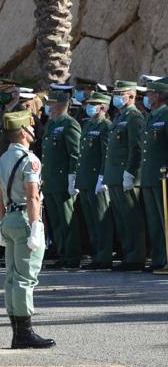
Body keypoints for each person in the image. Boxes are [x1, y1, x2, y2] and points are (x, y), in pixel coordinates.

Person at [0, 111, 55, 349]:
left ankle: (17, 329)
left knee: (11, 277)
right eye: (30, 128)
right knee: (24, 278)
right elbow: (32, 196)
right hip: (23, 218)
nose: (34, 132)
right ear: (22, 132)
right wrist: (36, 227)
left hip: (9, 218)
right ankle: (24, 332)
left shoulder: (0, 160)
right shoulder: (31, 160)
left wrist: (0, 224)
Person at [104, 81, 145, 271]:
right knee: (121, 218)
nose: (117, 97)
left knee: (131, 218)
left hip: (125, 175)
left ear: (132, 96)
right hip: (114, 176)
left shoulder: (134, 117)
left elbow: (136, 148)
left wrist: (130, 172)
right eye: (116, 93)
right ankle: (128, 255)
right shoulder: (120, 117)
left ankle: (136, 257)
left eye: (122, 94)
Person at [40, 90, 81, 268]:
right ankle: (62, 253)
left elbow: (75, 154)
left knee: (67, 219)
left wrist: (73, 177)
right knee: (56, 221)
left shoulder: (69, 124)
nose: (48, 107)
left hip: (64, 181)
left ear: (59, 105)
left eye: (51, 103)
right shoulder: (51, 125)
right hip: (50, 181)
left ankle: (72, 256)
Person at [76, 94, 113, 270]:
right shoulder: (88, 124)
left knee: (101, 220)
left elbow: (106, 153)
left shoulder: (105, 126)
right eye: (89, 104)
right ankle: (96, 254)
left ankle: (104, 256)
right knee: (91, 219)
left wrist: (102, 176)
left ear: (103, 108)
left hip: (96, 178)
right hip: (85, 179)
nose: (90, 107)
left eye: (94, 104)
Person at [139, 80, 168, 272]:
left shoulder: (166, 115)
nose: (147, 98)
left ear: (157, 95)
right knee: (154, 221)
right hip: (149, 176)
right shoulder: (150, 117)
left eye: (149, 94)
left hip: (163, 177)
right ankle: (158, 259)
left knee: (165, 220)